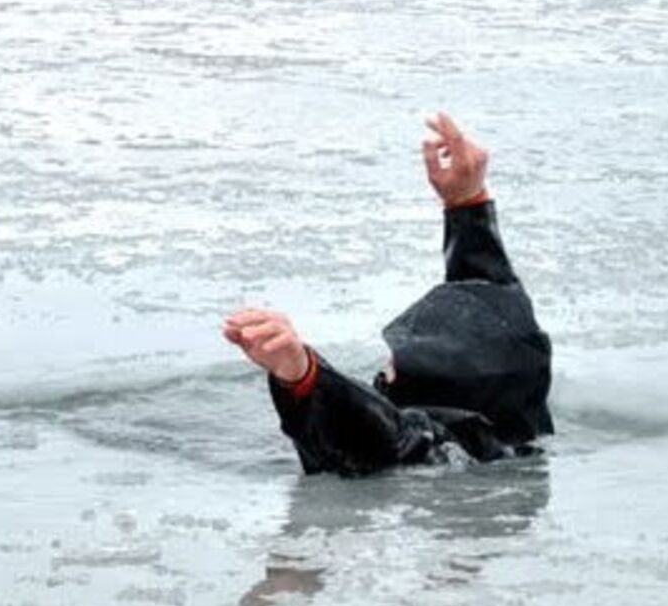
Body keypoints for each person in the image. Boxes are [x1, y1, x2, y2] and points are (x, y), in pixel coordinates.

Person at [223, 113, 552, 476]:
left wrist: (303, 374)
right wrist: (468, 204)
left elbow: (388, 436)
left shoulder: (436, 448)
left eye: (395, 362)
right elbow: (492, 311)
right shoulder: (518, 409)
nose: (386, 367)